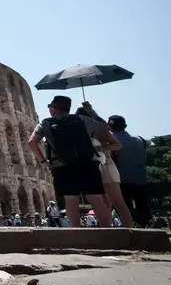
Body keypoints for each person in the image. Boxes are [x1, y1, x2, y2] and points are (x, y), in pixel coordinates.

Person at [28, 95, 113, 228]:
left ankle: (76, 233)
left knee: (71, 200)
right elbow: (105, 128)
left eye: (50, 107)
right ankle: (110, 233)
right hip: (87, 163)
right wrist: (91, 112)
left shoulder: (45, 123)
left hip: (62, 165)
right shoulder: (80, 119)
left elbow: (32, 142)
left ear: (54, 108)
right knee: (95, 199)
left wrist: (43, 161)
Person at [76, 104, 132, 227]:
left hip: (106, 165)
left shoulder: (100, 130)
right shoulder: (79, 132)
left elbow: (117, 145)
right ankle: (109, 229)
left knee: (118, 202)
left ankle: (130, 230)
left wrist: (101, 147)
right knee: (103, 202)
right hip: (92, 167)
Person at [109, 115, 151, 227]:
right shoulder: (141, 140)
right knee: (143, 207)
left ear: (110, 127)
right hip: (142, 179)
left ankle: (130, 230)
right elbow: (149, 143)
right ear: (125, 126)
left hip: (122, 180)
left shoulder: (111, 141)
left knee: (123, 208)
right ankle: (147, 228)